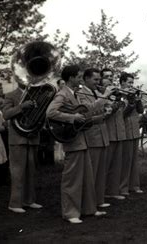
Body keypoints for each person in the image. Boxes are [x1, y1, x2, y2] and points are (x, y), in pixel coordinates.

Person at [46, 64, 106, 224]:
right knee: (72, 179)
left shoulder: (75, 94)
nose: (81, 79)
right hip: (73, 142)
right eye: (79, 77)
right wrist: (72, 118)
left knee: (86, 178)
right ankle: (70, 213)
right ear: (71, 78)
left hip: (82, 140)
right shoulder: (63, 94)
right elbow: (50, 112)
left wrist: (102, 103)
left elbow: (87, 110)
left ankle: (88, 209)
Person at [3, 82, 43, 213]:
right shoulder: (10, 95)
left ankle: (29, 200)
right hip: (17, 138)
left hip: (32, 137)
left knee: (31, 170)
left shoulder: (36, 95)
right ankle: (15, 203)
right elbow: (6, 114)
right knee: (18, 172)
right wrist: (22, 106)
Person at [77, 68, 111, 209]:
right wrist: (104, 97)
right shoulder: (81, 93)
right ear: (86, 79)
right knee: (92, 172)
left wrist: (107, 109)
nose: (98, 82)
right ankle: (89, 203)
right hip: (92, 136)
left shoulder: (96, 92)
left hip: (102, 135)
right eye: (95, 79)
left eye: (98, 79)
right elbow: (87, 110)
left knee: (101, 172)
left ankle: (99, 199)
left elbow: (99, 109)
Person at [100, 68, 126, 201]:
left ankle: (113, 190)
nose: (109, 79)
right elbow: (105, 113)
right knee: (105, 165)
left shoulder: (115, 93)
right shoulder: (99, 94)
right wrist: (117, 103)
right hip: (107, 133)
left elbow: (123, 113)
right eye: (106, 77)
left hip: (118, 132)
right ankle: (102, 192)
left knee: (116, 165)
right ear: (101, 78)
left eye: (111, 76)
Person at [120, 72, 144, 195]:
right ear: (122, 82)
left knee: (135, 160)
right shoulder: (119, 95)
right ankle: (123, 187)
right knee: (126, 160)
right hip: (125, 131)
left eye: (132, 83)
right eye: (129, 82)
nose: (131, 85)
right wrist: (131, 102)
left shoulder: (132, 95)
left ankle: (134, 185)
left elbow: (141, 110)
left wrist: (138, 100)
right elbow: (122, 114)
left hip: (135, 130)